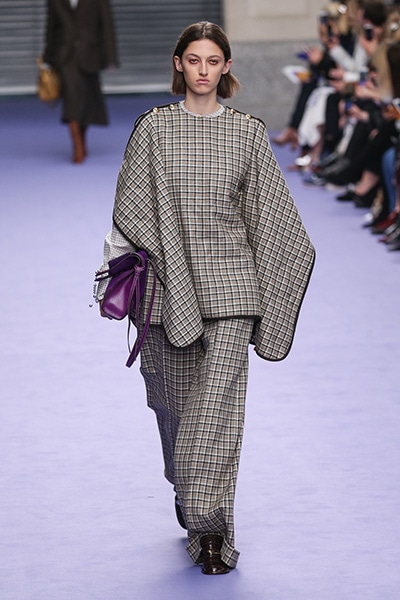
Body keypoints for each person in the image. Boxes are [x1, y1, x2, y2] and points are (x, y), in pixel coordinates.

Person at [95, 22, 315, 575]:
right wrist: (110, 273)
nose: (203, 70)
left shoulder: (247, 133)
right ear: (178, 64)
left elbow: (273, 220)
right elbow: (131, 208)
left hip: (232, 292)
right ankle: (187, 489)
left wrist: (270, 299)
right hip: (166, 289)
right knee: (172, 408)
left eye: (213, 61)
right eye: (193, 60)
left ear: (226, 67)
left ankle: (211, 532)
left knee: (216, 414)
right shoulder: (153, 129)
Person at [42, 0, 118, 163]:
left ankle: (82, 139)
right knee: (71, 100)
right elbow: (51, 27)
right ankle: (77, 146)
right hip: (65, 57)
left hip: (90, 55)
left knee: (87, 102)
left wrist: (111, 57)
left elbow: (106, 24)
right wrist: (47, 57)